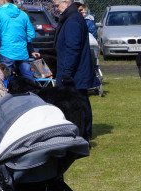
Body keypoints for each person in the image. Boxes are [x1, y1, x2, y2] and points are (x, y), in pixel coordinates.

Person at [54, 0, 98, 139]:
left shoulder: (72, 20)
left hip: (75, 71)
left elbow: (73, 48)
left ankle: (84, 132)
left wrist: (66, 73)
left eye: (57, 5)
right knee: (81, 101)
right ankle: (83, 131)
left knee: (79, 103)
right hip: (76, 70)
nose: (56, 8)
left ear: (66, 2)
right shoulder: (72, 18)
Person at [0, 0, 37, 80]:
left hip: (6, 51)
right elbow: (31, 34)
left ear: (3, 0)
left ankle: (6, 88)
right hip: (22, 51)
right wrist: (24, 42)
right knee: (28, 76)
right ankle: (32, 87)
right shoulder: (23, 14)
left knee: (4, 77)